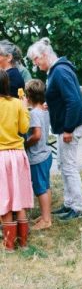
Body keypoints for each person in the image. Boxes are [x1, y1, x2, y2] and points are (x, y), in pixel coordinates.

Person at [27, 38, 82, 221]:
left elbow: (74, 101)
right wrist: (49, 104)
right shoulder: (55, 71)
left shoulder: (60, 71)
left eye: (35, 59)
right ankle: (68, 203)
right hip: (64, 125)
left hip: (71, 125)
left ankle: (77, 207)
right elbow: (60, 97)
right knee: (63, 164)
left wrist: (68, 129)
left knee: (68, 166)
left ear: (45, 55)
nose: (35, 64)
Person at [0, 69, 33, 251]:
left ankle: (9, 245)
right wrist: (25, 108)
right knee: (18, 198)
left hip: (0, 156)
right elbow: (23, 127)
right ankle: (24, 243)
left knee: (4, 199)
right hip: (18, 155)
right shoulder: (16, 104)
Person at [24, 79, 53, 230]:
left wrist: (25, 144)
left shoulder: (34, 113)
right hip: (46, 154)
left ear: (28, 97)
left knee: (40, 189)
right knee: (46, 186)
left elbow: (37, 135)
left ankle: (46, 220)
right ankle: (45, 215)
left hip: (37, 157)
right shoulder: (44, 109)